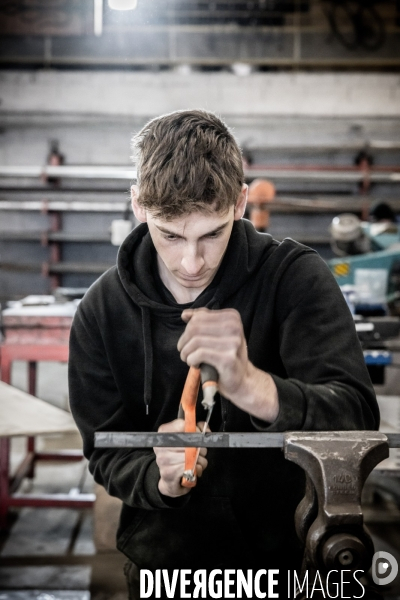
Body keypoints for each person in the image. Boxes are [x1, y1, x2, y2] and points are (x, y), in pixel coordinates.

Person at [68, 110, 379, 599]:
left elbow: (357, 421)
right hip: (168, 572)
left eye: (211, 234)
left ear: (239, 203)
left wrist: (254, 388)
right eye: (171, 235)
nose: (192, 263)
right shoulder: (101, 311)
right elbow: (105, 448)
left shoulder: (296, 279)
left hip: (295, 565)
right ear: (139, 207)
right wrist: (160, 479)